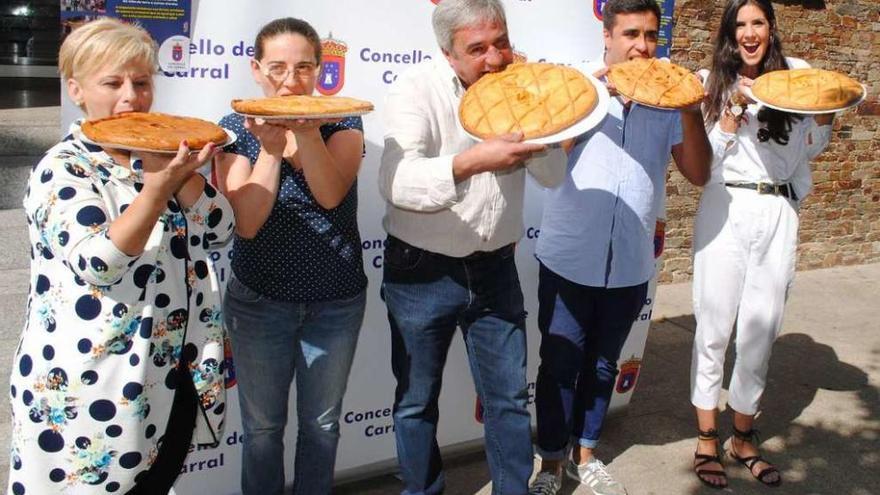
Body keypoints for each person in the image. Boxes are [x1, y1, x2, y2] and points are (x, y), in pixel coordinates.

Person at [8, 18, 234, 495]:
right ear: (76, 90)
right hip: (92, 384)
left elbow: (220, 229)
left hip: (171, 371)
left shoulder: (161, 152)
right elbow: (101, 262)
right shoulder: (63, 167)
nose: (131, 96)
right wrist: (157, 189)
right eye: (112, 82)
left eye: (141, 82)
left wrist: (182, 173)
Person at [378, 0, 567, 493]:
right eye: (477, 49)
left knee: (507, 399)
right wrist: (473, 161)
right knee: (416, 400)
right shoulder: (414, 89)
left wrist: (538, 117)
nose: (494, 58)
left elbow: (552, 176)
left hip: (496, 268)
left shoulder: (520, 88)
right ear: (448, 53)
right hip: (420, 272)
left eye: (500, 42)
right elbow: (396, 182)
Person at [527, 1, 712, 494]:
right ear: (606, 38)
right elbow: (545, 163)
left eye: (651, 35)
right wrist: (587, 105)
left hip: (630, 263)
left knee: (604, 364)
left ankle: (586, 453)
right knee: (559, 364)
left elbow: (698, 173)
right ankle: (549, 462)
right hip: (568, 257)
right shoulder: (579, 93)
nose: (642, 46)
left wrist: (690, 107)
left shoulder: (669, 102)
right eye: (631, 33)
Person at [215, 17, 367, 495]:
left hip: (335, 300)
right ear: (256, 69)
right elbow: (247, 220)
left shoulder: (343, 118)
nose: (289, 80)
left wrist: (302, 134)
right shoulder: (233, 126)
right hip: (259, 301)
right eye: (277, 67)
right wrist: (269, 149)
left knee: (321, 426)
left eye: (303, 68)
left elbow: (329, 193)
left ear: (320, 70)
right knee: (261, 431)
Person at [689, 0, 834, 489]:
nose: (750, 33)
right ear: (731, 33)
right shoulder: (709, 79)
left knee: (760, 329)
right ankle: (707, 438)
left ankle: (743, 436)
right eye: (741, 25)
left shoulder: (797, 74)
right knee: (713, 326)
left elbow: (810, 150)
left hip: (777, 211)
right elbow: (702, 165)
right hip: (725, 207)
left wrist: (824, 118)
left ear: (772, 28)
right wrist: (732, 111)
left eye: (759, 23)